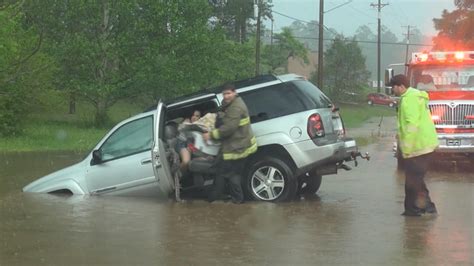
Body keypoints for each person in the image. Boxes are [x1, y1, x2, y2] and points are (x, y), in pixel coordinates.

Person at [389, 74, 439, 216]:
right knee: (417, 180)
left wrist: (407, 149)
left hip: (418, 147)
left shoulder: (409, 99)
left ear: (401, 86)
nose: (392, 90)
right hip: (424, 145)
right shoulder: (413, 97)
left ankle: (412, 212)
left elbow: (412, 124)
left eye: (393, 87)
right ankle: (428, 208)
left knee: (411, 183)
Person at [203, 83, 257, 204]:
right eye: (224, 94)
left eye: (228, 93)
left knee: (231, 175)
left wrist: (210, 135)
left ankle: (236, 201)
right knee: (228, 173)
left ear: (235, 92)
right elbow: (223, 113)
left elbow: (228, 128)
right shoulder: (231, 103)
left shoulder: (236, 107)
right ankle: (229, 199)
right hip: (236, 145)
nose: (226, 96)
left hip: (237, 148)